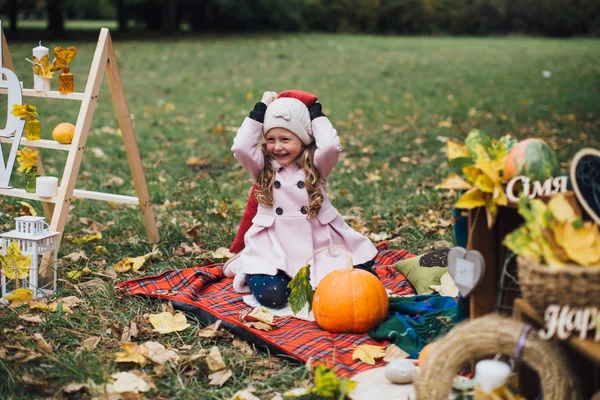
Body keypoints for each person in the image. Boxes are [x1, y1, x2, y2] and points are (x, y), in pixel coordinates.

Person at [223, 90, 378, 308]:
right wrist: (260, 110)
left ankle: (311, 273)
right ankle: (247, 264)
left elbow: (331, 146)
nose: (277, 147)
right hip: (273, 245)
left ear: (303, 139)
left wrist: (317, 117)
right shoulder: (262, 166)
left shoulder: (316, 165)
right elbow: (240, 147)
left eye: (285, 139)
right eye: (270, 139)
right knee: (273, 297)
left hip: (318, 243)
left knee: (361, 282)